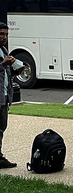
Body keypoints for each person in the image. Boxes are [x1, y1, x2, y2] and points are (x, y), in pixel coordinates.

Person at [0, 23, 18, 169]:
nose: (4, 37)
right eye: (1, 34)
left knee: (1, 128)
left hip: (4, 96)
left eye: (6, 34)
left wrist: (17, 70)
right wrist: (3, 64)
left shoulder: (4, 50)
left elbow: (6, 74)